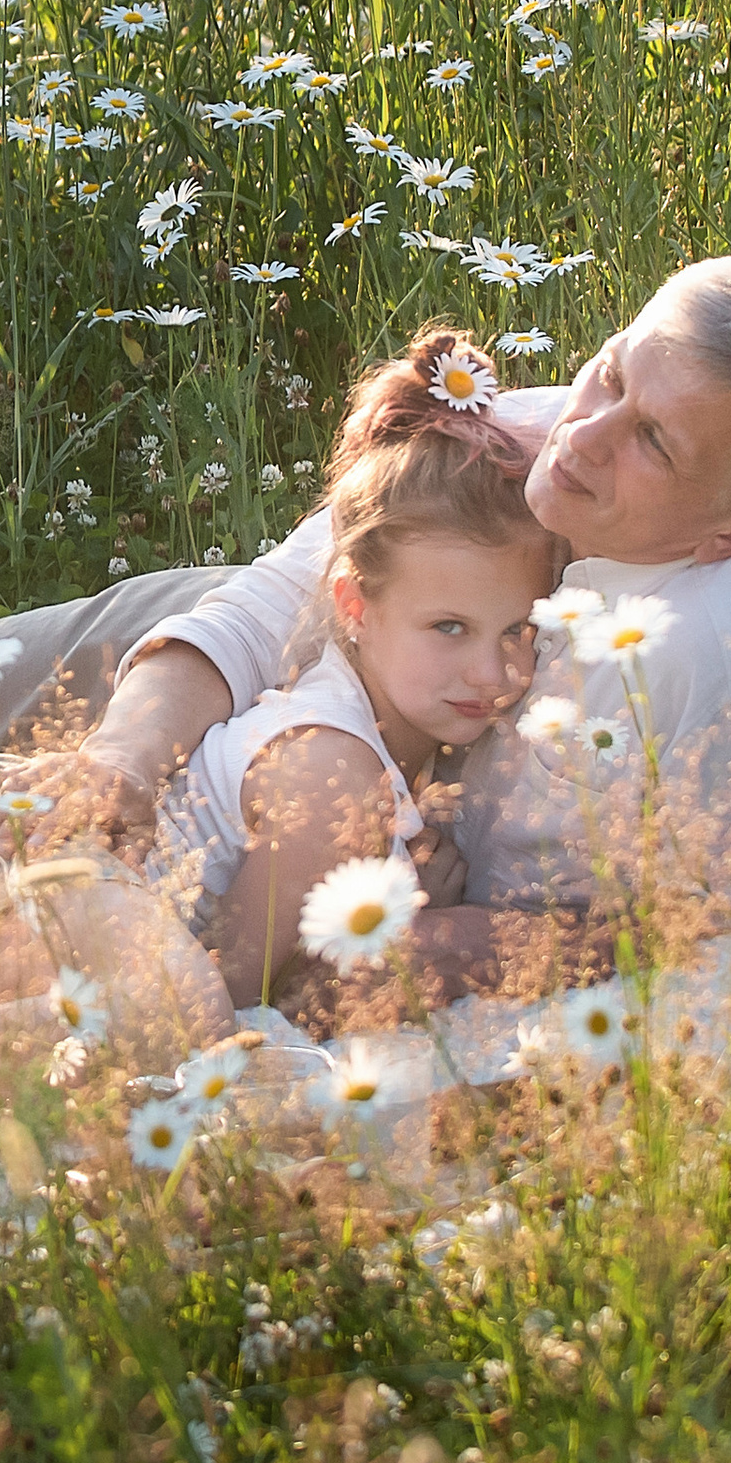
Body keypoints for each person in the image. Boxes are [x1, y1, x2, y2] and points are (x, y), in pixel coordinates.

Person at [0, 255, 731, 989]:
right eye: (608, 375)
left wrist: (444, 941)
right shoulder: (538, 430)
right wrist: (122, 757)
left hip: (342, 811)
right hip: (283, 664)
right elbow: (267, 604)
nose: (580, 437)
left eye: (653, 442)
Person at [141, 327, 559, 1021]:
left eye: (518, 630)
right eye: (448, 628)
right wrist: (393, 918)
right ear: (354, 604)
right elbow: (216, 1002)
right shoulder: (334, 772)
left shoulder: (398, 748)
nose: (491, 672)